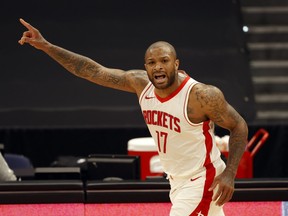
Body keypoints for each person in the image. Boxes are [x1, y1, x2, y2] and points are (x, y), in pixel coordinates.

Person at [18, 18, 248, 216]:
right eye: (152, 62)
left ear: (176, 64)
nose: (158, 67)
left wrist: (230, 173)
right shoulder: (140, 84)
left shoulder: (201, 96)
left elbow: (238, 125)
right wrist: (46, 46)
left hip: (203, 179)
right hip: (177, 180)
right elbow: (90, 71)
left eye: (164, 61)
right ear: (145, 67)